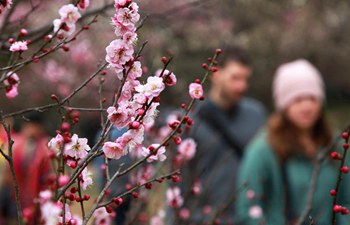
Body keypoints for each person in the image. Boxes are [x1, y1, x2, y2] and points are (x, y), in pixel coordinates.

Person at [235, 59, 350, 224]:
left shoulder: (336, 145)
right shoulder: (263, 150)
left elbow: (347, 201)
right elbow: (247, 209)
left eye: (312, 98)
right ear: (284, 105)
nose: (307, 106)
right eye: (298, 99)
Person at [179, 47, 267, 224]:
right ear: (215, 74)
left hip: (250, 217)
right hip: (204, 218)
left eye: (245, 79)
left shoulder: (256, 114)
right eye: (235, 78)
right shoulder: (190, 122)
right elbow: (179, 181)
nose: (242, 86)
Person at [1, 112, 51, 225]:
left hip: (37, 198)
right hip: (13, 196)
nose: (31, 130)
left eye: (34, 126)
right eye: (28, 126)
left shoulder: (46, 146)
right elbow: (6, 171)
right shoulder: (15, 143)